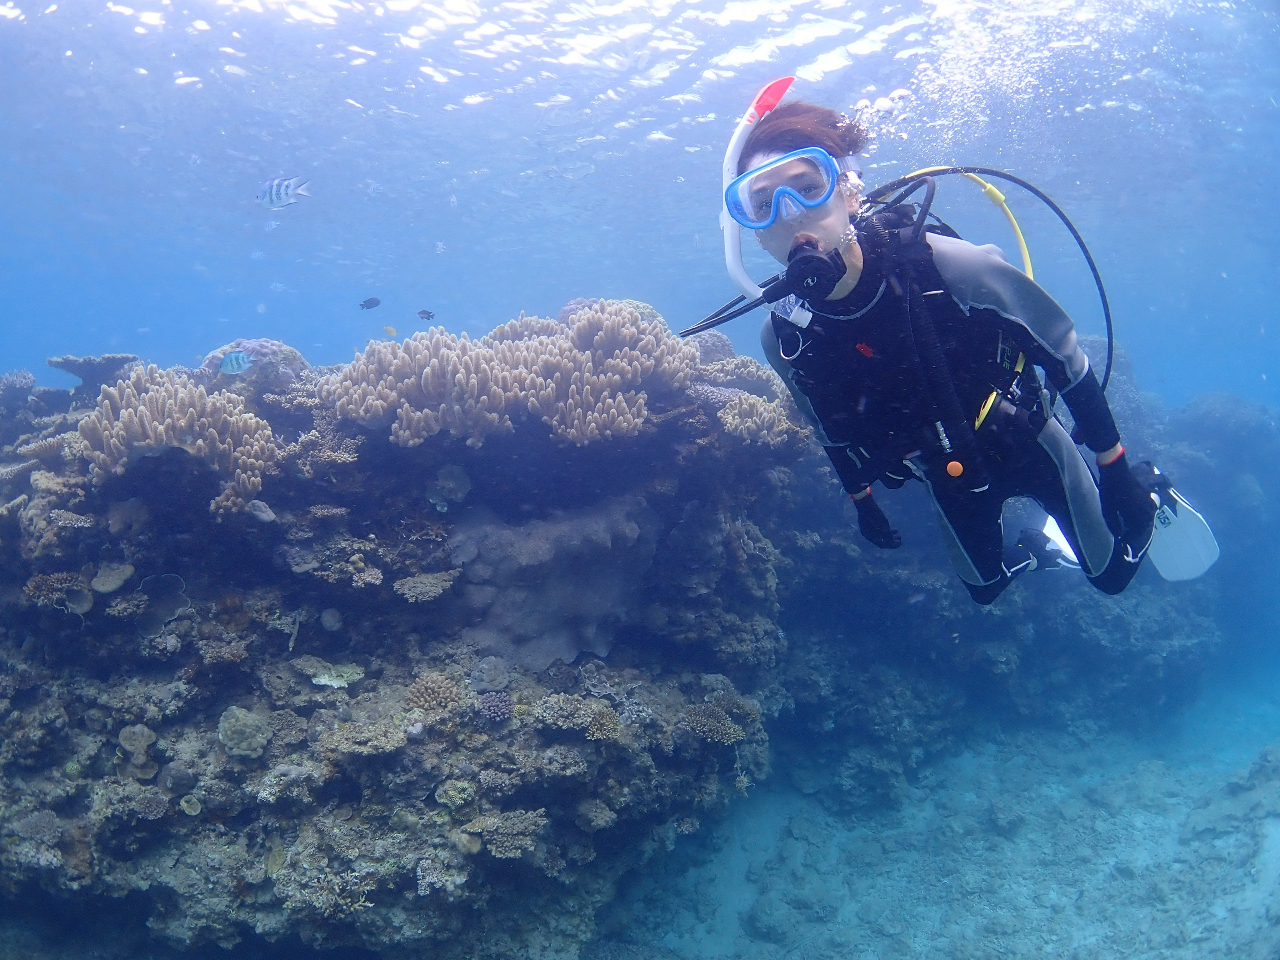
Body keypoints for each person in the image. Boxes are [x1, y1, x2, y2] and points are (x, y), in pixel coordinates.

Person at [725, 97, 1159, 604]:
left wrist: (1115, 467)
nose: (790, 216)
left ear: (849, 191)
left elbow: (1064, 356)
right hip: (942, 472)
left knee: (1110, 577)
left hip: (1024, 437)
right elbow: (827, 428)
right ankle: (1036, 551)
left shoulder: (949, 266)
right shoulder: (784, 335)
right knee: (985, 590)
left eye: (807, 188)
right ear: (752, 234)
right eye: (763, 205)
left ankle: (1153, 489)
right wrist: (862, 500)